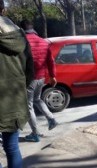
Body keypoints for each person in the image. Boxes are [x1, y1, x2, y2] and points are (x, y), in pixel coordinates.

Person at [0, 0, 34, 167]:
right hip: (14, 99)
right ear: (3, 10)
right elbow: (30, 70)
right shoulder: (19, 33)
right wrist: (20, 87)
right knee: (12, 147)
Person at [20, 19, 58, 142]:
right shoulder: (44, 42)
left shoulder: (22, 41)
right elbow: (50, 61)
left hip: (29, 78)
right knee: (37, 99)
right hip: (41, 77)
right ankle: (51, 118)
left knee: (28, 105)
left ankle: (35, 133)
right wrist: (52, 76)